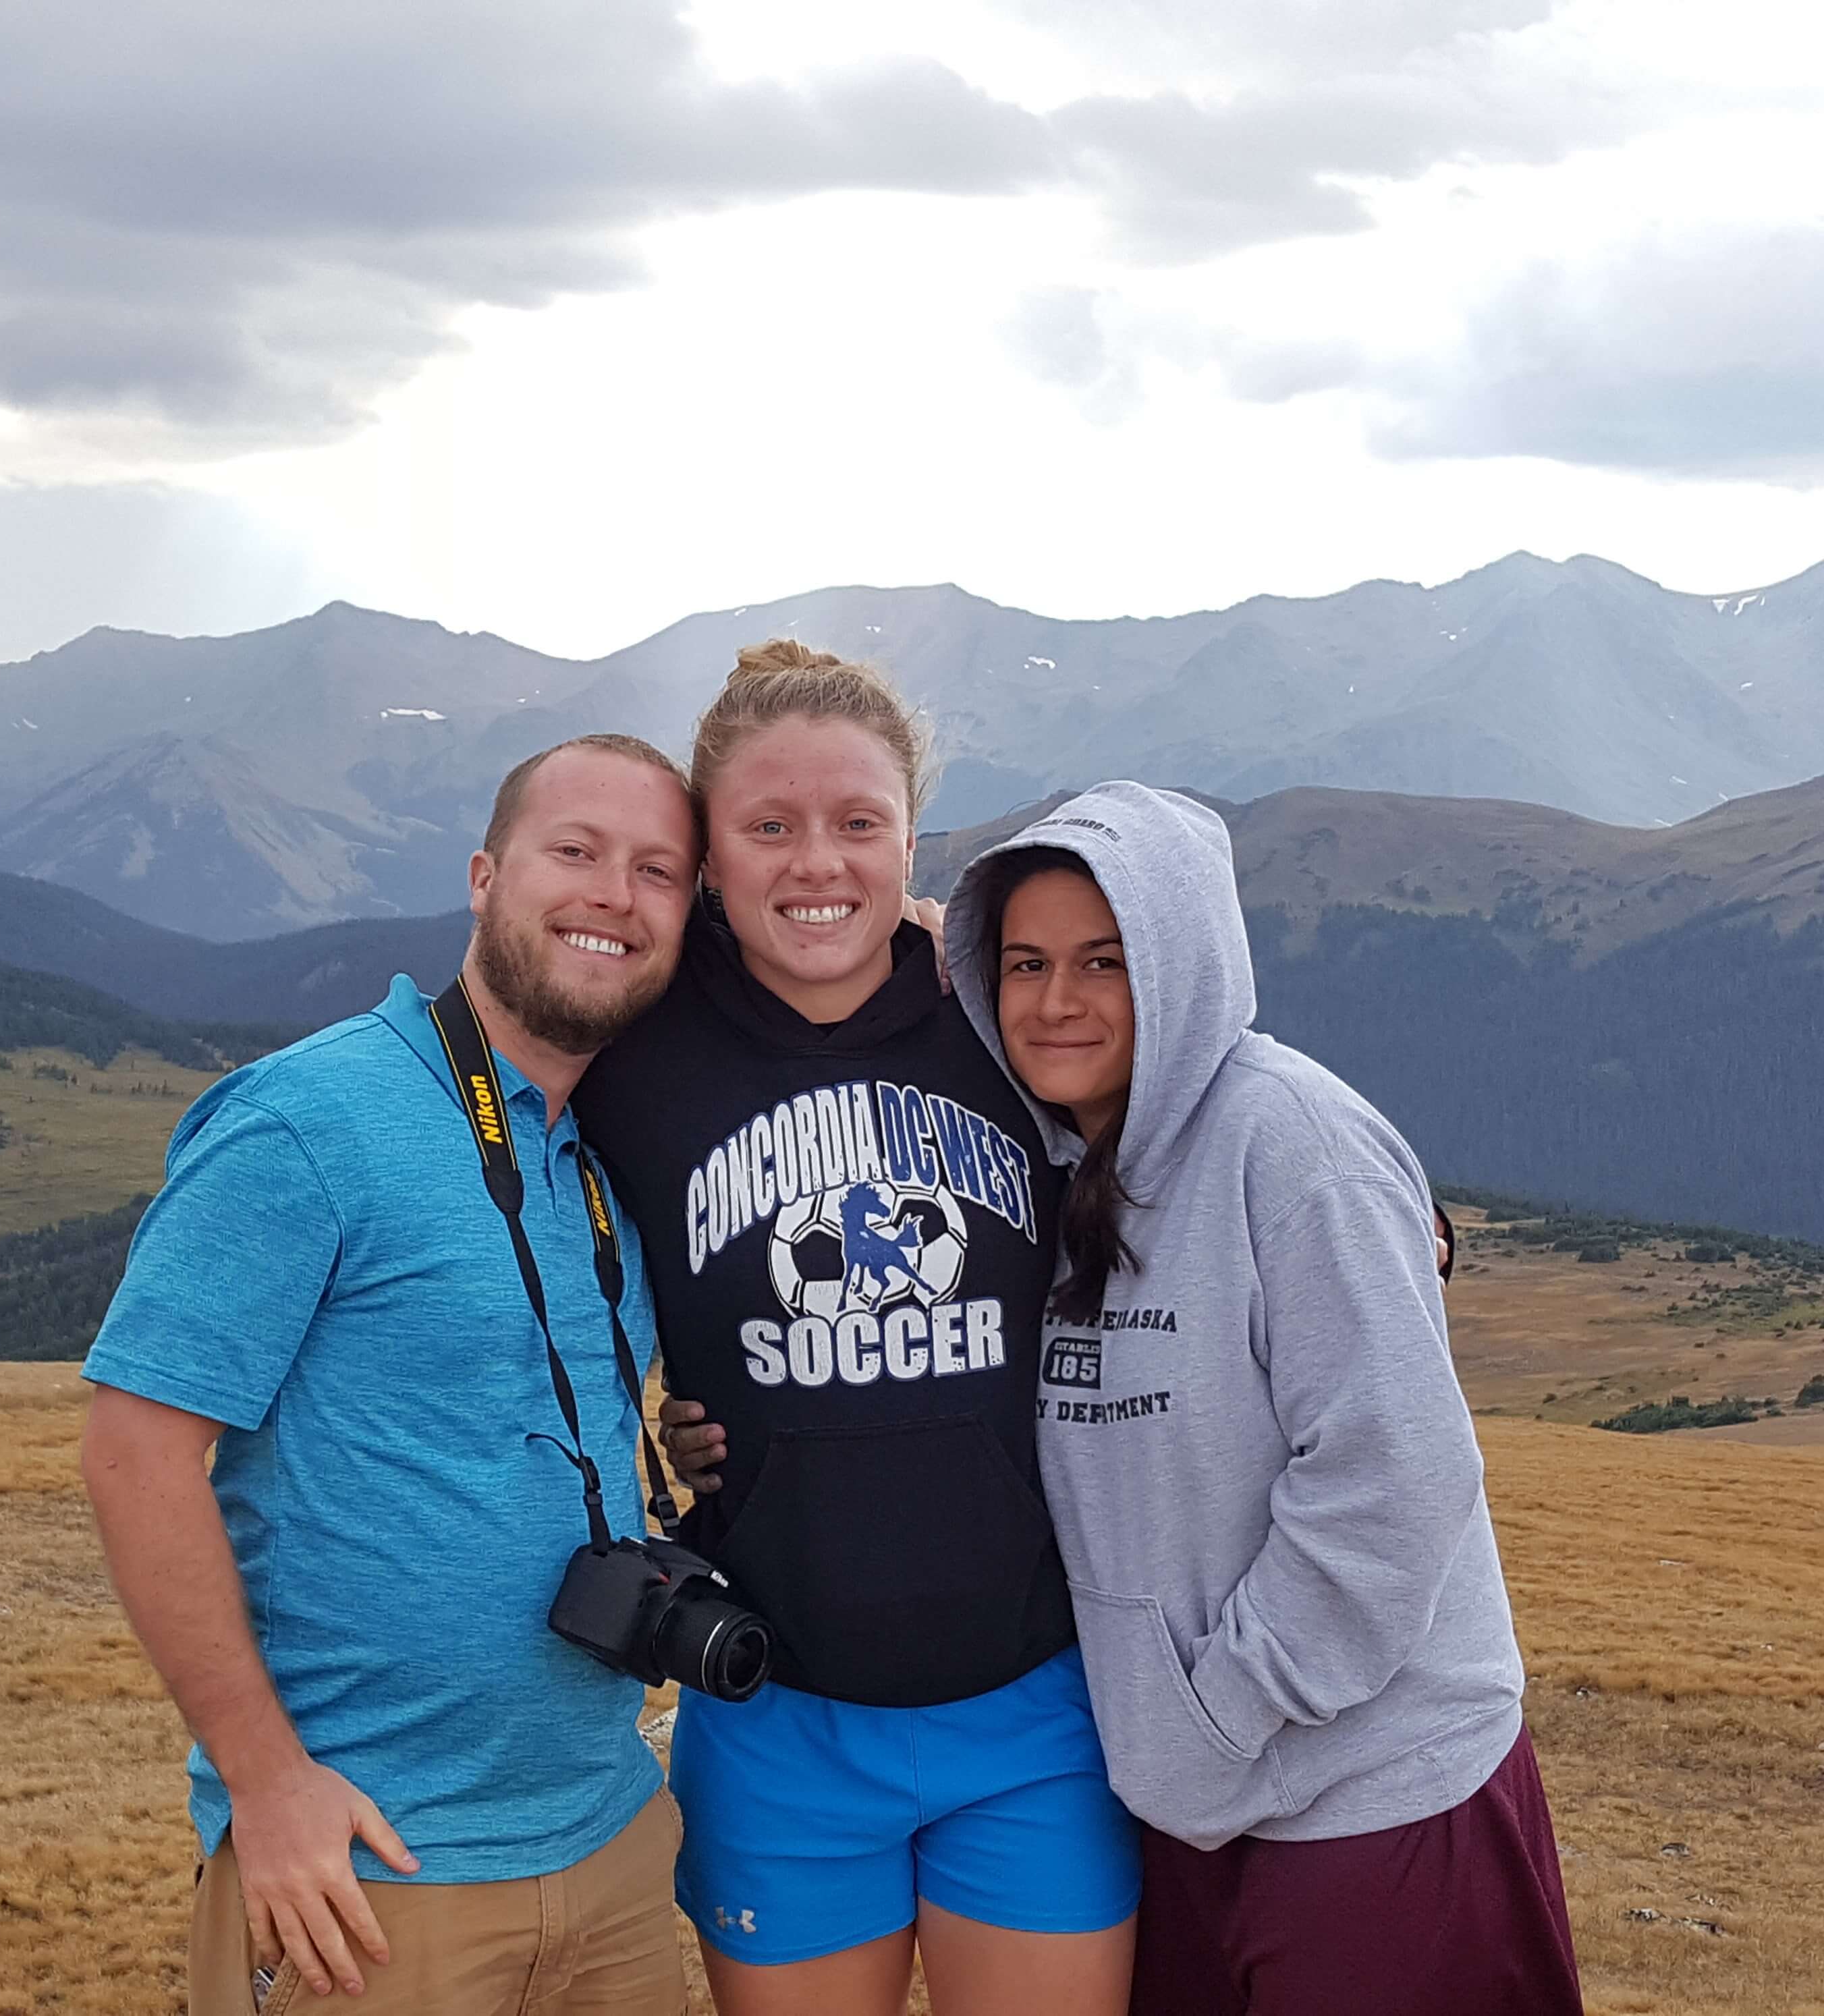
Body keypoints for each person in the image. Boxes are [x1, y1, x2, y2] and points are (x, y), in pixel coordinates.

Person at [673, 780, 1580, 2015]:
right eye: (1028, 962)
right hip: (1190, 1810)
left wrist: (1215, 1724)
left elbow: (1394, 1484)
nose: (1057, 1002)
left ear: (1185, 965)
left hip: (1373, 1802)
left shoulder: (1289, 1142)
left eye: (1107, 961)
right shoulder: (1063, 1162)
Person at [79, 733, 703, 2015]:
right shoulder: (303, 1121)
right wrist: (263, 1784)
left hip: (614, 1845)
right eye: (575, 852)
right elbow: (135, 1450)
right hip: (370, 1874)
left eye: (658, 870)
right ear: (484, 875)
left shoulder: (607, 1147)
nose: (613, 896)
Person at [570, 644, 1138, 2016]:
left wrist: (1384, 1208)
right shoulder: (631, 1051)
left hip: (1036, 1705)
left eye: (856, 824)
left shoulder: (1005, 1027)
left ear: (912, 839)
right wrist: (652, 1431)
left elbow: (1202, 1124)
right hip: (779, 1712)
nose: (814, 863)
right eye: (768, 826)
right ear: (707, 852)